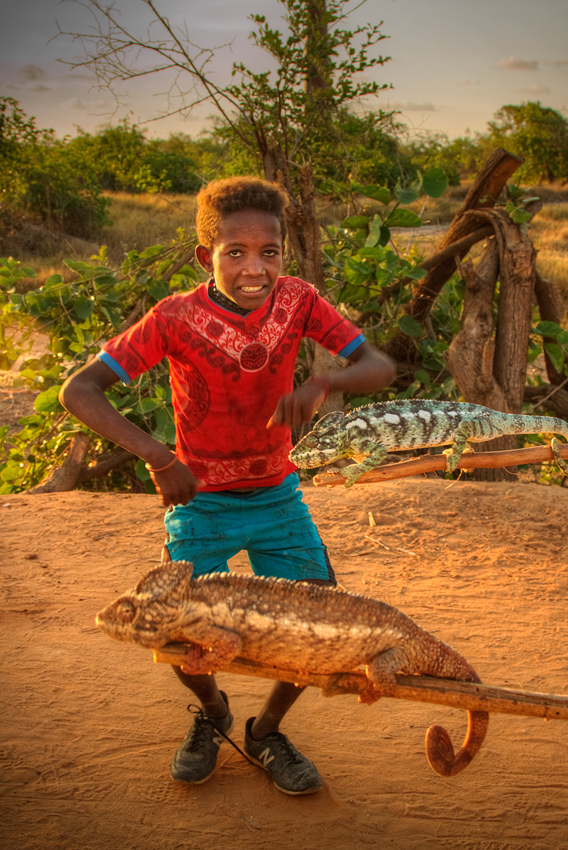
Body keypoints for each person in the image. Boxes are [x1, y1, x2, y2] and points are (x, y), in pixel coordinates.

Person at [59, 176, 396, 796]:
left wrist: (324, 385)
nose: (254, 268)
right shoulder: (173, 318)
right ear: (203, 256)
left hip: (277, 494)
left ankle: (265, 732)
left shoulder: (299, 301)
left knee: (313, 623)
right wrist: (159, 457)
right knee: (171, 626)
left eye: (268, 252)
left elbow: (379, 364)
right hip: (201, 500)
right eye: (234, 252)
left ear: (283, 256)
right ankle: (212, 716)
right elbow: (78, 390)